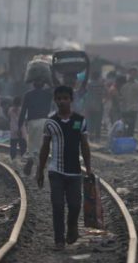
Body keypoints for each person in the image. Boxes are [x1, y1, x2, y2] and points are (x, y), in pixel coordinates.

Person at [36, 86, 92, 251]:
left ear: (71, 99)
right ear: (55, 100)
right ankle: (59, 240)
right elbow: (45, 148)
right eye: (59, 98)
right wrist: (40, 169)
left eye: (65, 98)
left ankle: (72, 226)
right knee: (57, 205)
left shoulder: (80, 121)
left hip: (75, 171)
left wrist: (88, 168)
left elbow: (85, 145)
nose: (62, 101)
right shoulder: (51, 123)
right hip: (56, 172)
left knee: (75, 205)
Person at [20, 79, 53, 176]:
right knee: (43, 145)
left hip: (32, 122)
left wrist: (19, 125)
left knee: (32, 145)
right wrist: (49, 81)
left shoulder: (28, 95)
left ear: (33, 84)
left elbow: (23, 111)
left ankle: (30, 161)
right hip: (44, 121)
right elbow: (54, 87)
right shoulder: (48, 94)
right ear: (44, 84)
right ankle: (40, 168)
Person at [119, 69, 138, 137]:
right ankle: (127, 137)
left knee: (128, 125)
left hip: (129, 108)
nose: (133, 75)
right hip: (128, 108)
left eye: (134, 74)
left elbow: (121, 97)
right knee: (128, 125)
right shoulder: (135, 85)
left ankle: (127, 137)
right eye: (132, 74)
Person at [84, 71, 106, 142]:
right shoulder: (101, 85)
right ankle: (97, 137)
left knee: (90, 121)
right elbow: (105, 93)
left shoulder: (88, 84)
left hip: (88, 105)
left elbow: (84, 92)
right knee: (98, 122)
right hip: (98, 105)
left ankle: (90, 135)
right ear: (98, 77)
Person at [8, 96, 27, 161]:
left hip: (13, 130)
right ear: (21, 103)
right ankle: (23, 157)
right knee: (22, 146)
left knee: (13, 145)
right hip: (21, 130)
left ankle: (13, 158)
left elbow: (9, 118)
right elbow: (24, 119)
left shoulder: (10, 110)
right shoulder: (22, 110)